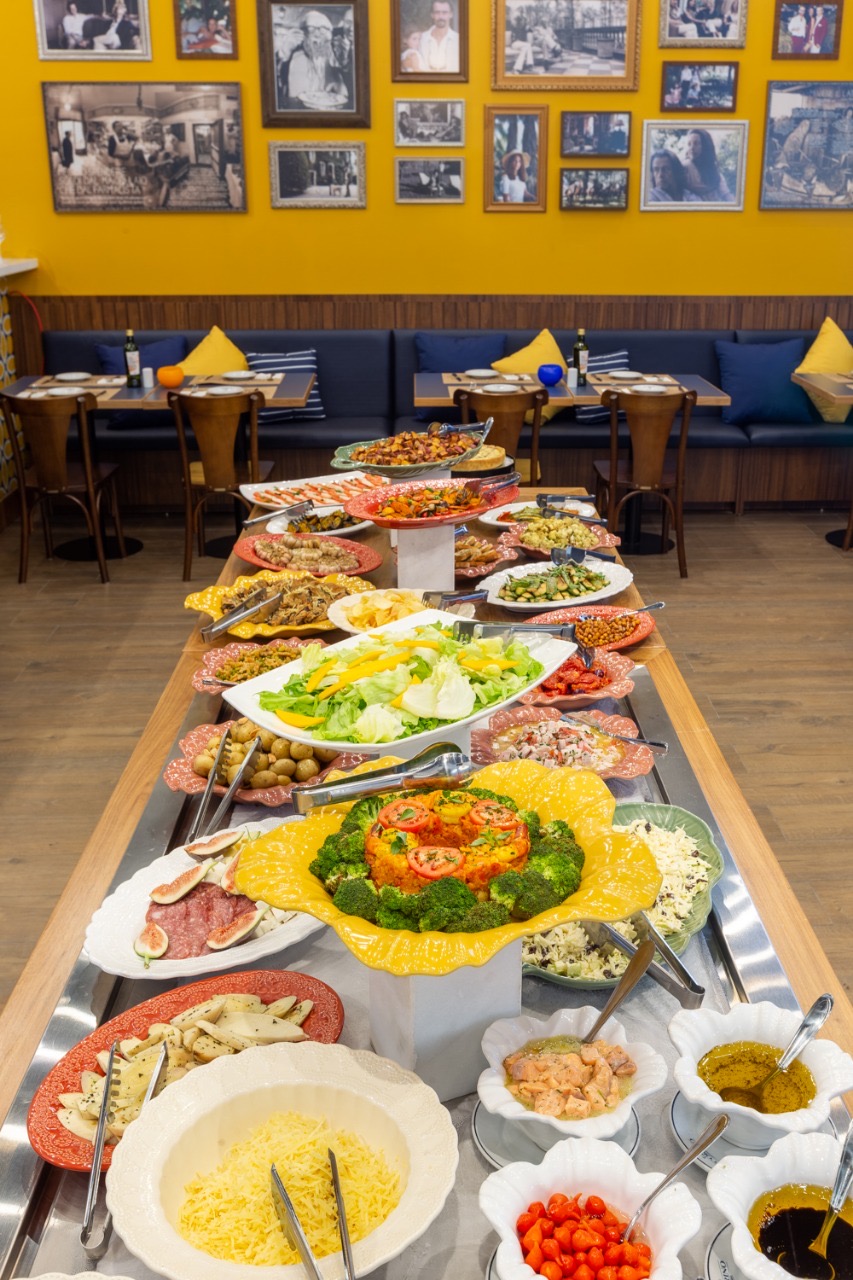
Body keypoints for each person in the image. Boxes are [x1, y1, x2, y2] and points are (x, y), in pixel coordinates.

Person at [287, 10, 348, 108]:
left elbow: (342, 93)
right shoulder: (297, 58)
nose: (317, 34)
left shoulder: (331, 58)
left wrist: (336, 85)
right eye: (311, 29)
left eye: (323, 30)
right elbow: (294, 98)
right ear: (305, 35)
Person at [683, 128, 733, 201]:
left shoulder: (712, 169)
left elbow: (726, 194)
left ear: (705, 146)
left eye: (696, 144)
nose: (692, 148)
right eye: (689, 144)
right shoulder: (685, 167)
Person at [418, 0, 459, 73]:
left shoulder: (458, 40)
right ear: (432, 15)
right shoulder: (421, 39)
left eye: (444, 12)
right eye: (437, 12)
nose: (441, 17)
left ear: (451, 14)